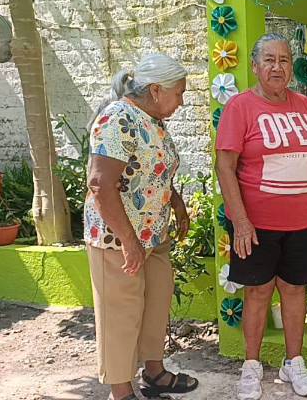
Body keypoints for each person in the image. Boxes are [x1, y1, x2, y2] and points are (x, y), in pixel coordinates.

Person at [215, 33, 307, 400]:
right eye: (269, 60)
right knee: (257, 292)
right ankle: (252, 366)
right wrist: (240, 220)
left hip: (301, 221)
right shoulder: (240, 107)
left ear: (292, 66)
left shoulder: (304, 105)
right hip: (255, 225)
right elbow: (225, 167)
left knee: (294, 289)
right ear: (255, 66)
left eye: (284, 59)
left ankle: (294, 362)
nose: (277, 66)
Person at [85, 53, 198, 400]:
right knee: (121, 313)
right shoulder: (118, 118)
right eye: (178, 93)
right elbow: (101, 185)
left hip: (153, 235)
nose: (181, 100)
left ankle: (154, 372)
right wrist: (129, 241)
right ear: (154, 89)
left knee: (155, 303)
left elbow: (155, 172)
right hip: (118, 239)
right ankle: (121, 391)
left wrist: (176, 204)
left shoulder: (153, 120)